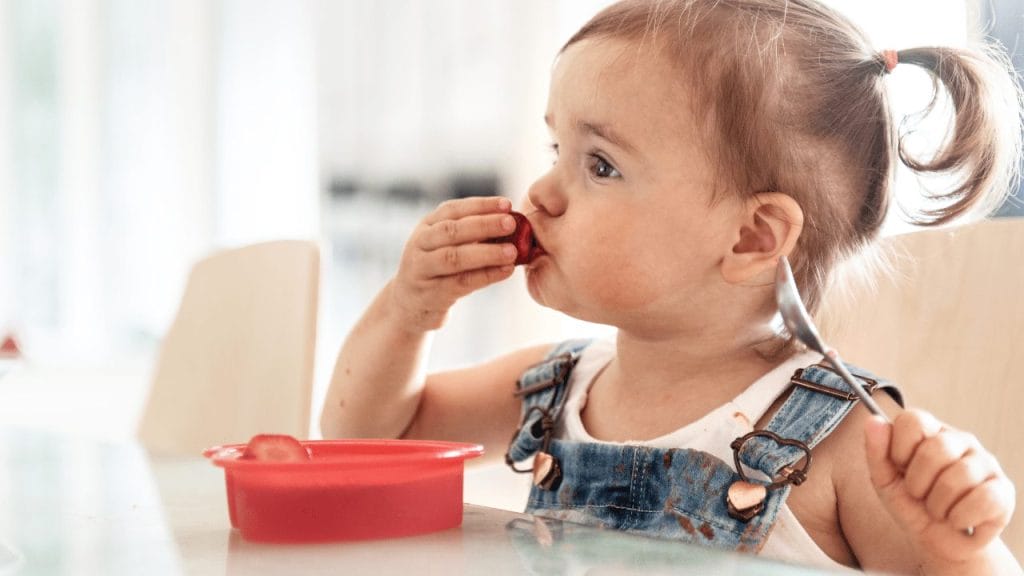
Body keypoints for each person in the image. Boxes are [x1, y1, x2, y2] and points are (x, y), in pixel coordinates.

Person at [320, 0, 1022, 573]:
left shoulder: (845, 440)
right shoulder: (556, 386)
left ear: (751, 238)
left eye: (600, 165)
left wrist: (960, 546)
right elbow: (367, 435)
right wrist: (408, 309)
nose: (540, 191)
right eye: (556, 151)